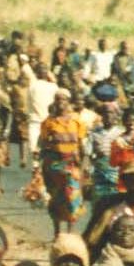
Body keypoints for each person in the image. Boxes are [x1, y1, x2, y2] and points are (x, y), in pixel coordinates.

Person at [39, 97, 89, 236]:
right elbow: (43, 143)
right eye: (58, 102)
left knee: (73, 197)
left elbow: (82, 144)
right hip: (55, 164)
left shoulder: (77, 122)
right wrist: (39, 166)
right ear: (55, 104)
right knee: (56, 197)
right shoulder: (49, 123)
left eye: (64, 102)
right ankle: (57, 232)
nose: (61, 105)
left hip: (72, 164)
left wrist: (84, 164)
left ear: (69, 105)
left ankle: (70, 232)